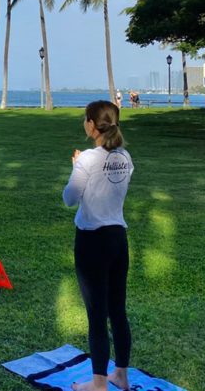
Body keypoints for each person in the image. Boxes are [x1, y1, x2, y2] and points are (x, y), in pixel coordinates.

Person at [62, 102, 134, 391]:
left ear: (92, 125)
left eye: (85, 120)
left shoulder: (88, 159)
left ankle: (99, 384)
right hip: (118, 238)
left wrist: (78, 166)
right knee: (117, 310)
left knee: (96, 313)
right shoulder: (125, 157)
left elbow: (70, 198)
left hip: (92, 240)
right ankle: (121, 375)